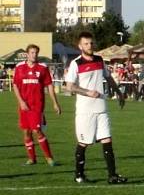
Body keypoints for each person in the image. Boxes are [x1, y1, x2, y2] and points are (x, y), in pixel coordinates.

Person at [64, 31, 127, 184]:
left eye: (91, 43)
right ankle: (79, 175)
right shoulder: (76, 63)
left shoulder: (99, 60)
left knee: (107, 140)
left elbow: (108, 77)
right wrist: (87, 92)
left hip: (101, 108)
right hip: (86, 111)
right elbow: (70, 86)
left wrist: (119, 92)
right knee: (84, 143)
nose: (90, 46)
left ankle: (112, 175)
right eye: (86, 43)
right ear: (80, 46)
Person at [12, 44, 62, 166]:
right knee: (26, 132)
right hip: (24, 105)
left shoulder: (42, 68)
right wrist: (21, 102)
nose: (34, 55)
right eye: (32, 53)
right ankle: (32, 159)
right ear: (27, 54)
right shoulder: (19, 68)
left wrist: (55, 103)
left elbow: (49, 86)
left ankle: (49, 158)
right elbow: (15, 85)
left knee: (37, 130)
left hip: (37, 105)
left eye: (36, 53)